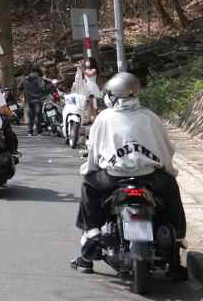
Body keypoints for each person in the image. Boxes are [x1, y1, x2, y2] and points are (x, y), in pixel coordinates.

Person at [70, 72, 189, 279]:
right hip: (149, 176)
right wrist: (169, 171)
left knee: (88, 186)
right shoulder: (150, 117)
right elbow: (166, 149)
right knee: (171, 189)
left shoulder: (104, 118)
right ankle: (177, 239)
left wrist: (89, 170)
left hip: (114, 177)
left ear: (114, 95)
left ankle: (91, 237)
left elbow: (94, 153)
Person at [18, 67, 51, 135]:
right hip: (38, 100)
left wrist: (24, 92)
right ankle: (39, 132)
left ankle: (30, 132)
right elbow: (44, 88)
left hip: (28, 100)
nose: (37, 74)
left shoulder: (24, 79)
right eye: (37, 73)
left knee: (31, 116)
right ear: (36, 72)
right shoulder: (40, 79)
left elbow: (19, 87)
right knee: (38, 116)